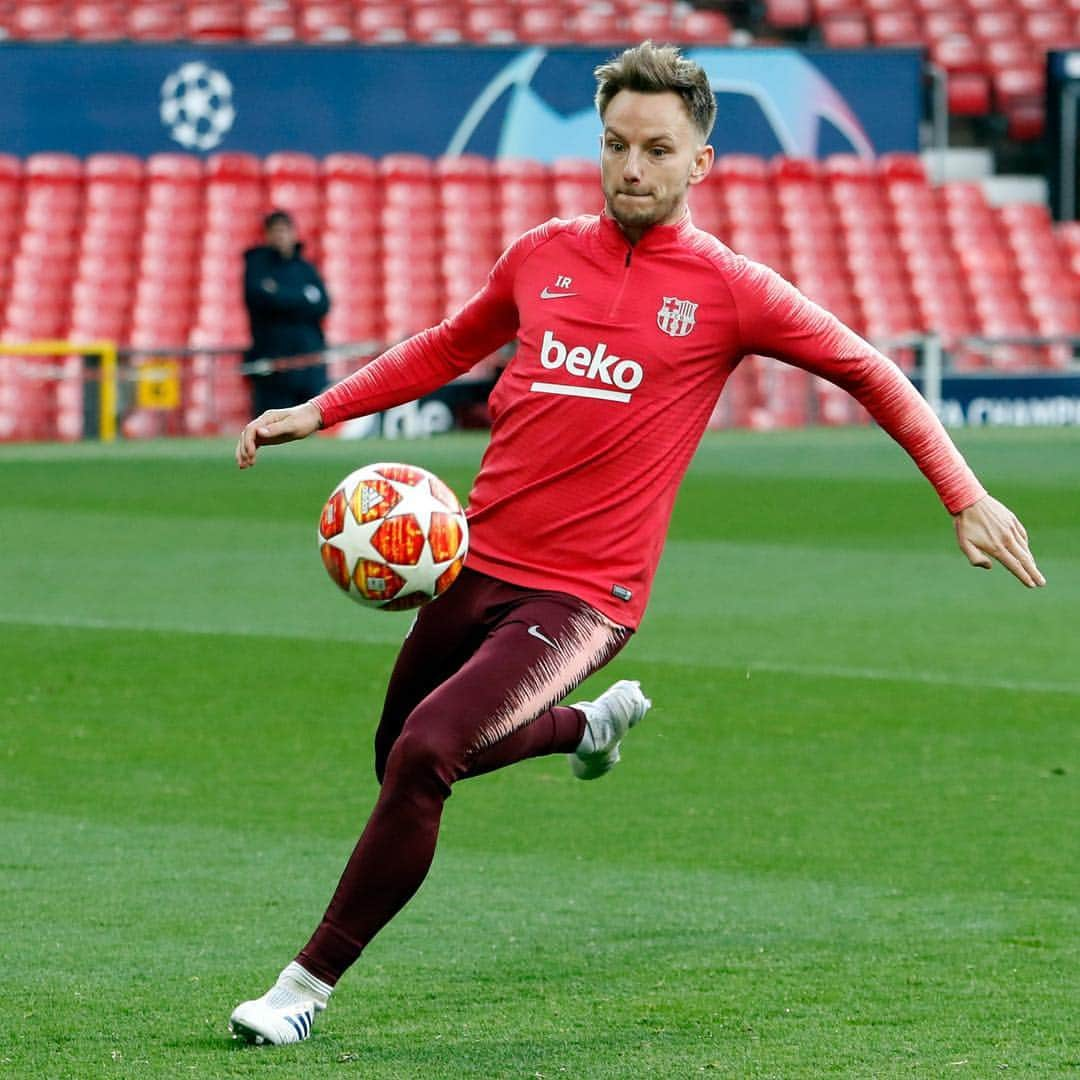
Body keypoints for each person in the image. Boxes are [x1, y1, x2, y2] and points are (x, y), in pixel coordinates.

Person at [228, 42, 1045, 1046]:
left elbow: (872, 370)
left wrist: (963, 493)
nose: (631, 168)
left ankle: (300, 992)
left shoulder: (730, 288)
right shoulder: (540, 254)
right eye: (616, 144)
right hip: (473, 562)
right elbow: (449, 344)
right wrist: (322, 408)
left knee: (430, 755)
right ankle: (586, 732)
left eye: (657, 150)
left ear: (700, 162)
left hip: (584, 599)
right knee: (396, 756)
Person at [243, 209, 331, 416]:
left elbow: (323, 305)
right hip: (273, 368)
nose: (281, 235)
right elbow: (259, 300)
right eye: (275, 231)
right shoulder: (257, 265)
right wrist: (303, 298)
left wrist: (279, 294)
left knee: (310, 425)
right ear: (267, 235)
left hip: (308, 365)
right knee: (271, 428)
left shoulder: (306, 268)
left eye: (285, 230)